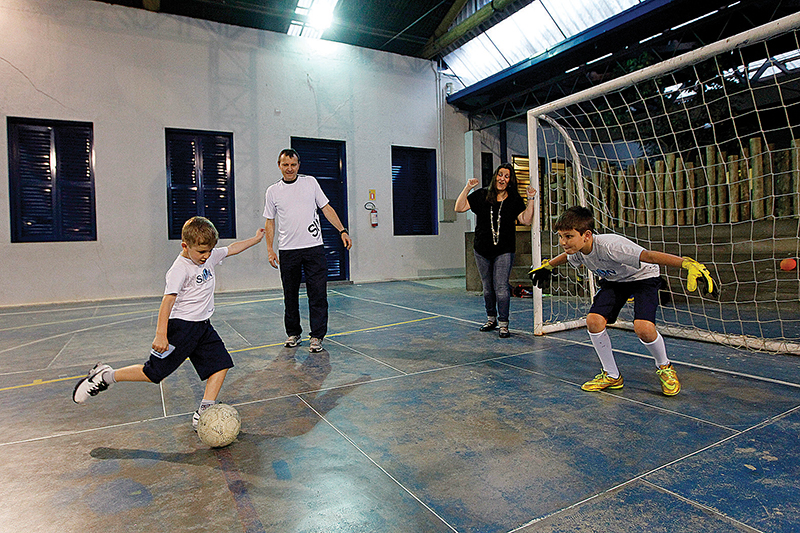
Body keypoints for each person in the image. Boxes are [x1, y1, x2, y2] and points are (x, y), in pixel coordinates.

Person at [72, 216, 265, 429]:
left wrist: (256, 239)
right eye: (201, 252)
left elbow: (232, 249)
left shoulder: (207, 256)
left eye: (210, 251)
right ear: (185, 245)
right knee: (153, 373)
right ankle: (105, 376)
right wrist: (161, 334)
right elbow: (167, 302)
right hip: (180, 329)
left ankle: (204, 410)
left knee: (221, 365)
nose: (206, 256)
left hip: (202, 327)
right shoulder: (179, 269)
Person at [529, 206, 717, 396]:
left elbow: (649, 256)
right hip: (615, 282)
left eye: (568, 236)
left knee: (643, 328)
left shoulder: (612, 246)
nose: (563, 242)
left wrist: (686, 264)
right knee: (593, 321)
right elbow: (567, 256)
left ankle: (665, 366)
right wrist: (548, 266)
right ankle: (612, 375)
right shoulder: (576, 250)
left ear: (586, 235)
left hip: (643, 278)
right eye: (560, 236)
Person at [264, 148, 352, 353]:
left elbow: (326, 208)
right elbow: (270, 222)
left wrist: (342, 230)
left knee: (318, 294)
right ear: (279, 165)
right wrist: (270, 249)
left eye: (293, 164)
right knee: (290, 295)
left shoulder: (310, 183)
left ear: (298, 165)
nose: (289, 169)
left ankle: (317, 336)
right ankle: (293, 333)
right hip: (288, 251)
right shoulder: (272, 191)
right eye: (285, 165)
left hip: (314, 249)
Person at [455, 163, 536, 338]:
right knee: (487, 287)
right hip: (481, 249)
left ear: (510, 180)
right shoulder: (482, 195)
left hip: (504, 249)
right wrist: (468, 187)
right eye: (500, 175)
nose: (502, 179)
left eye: (507, 176)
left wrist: (530, 199)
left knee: (501, 286)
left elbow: (526, 220)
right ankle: (491, 319)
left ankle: (504, 324)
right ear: (495, 176)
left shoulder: (514, 199)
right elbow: (459, 207)